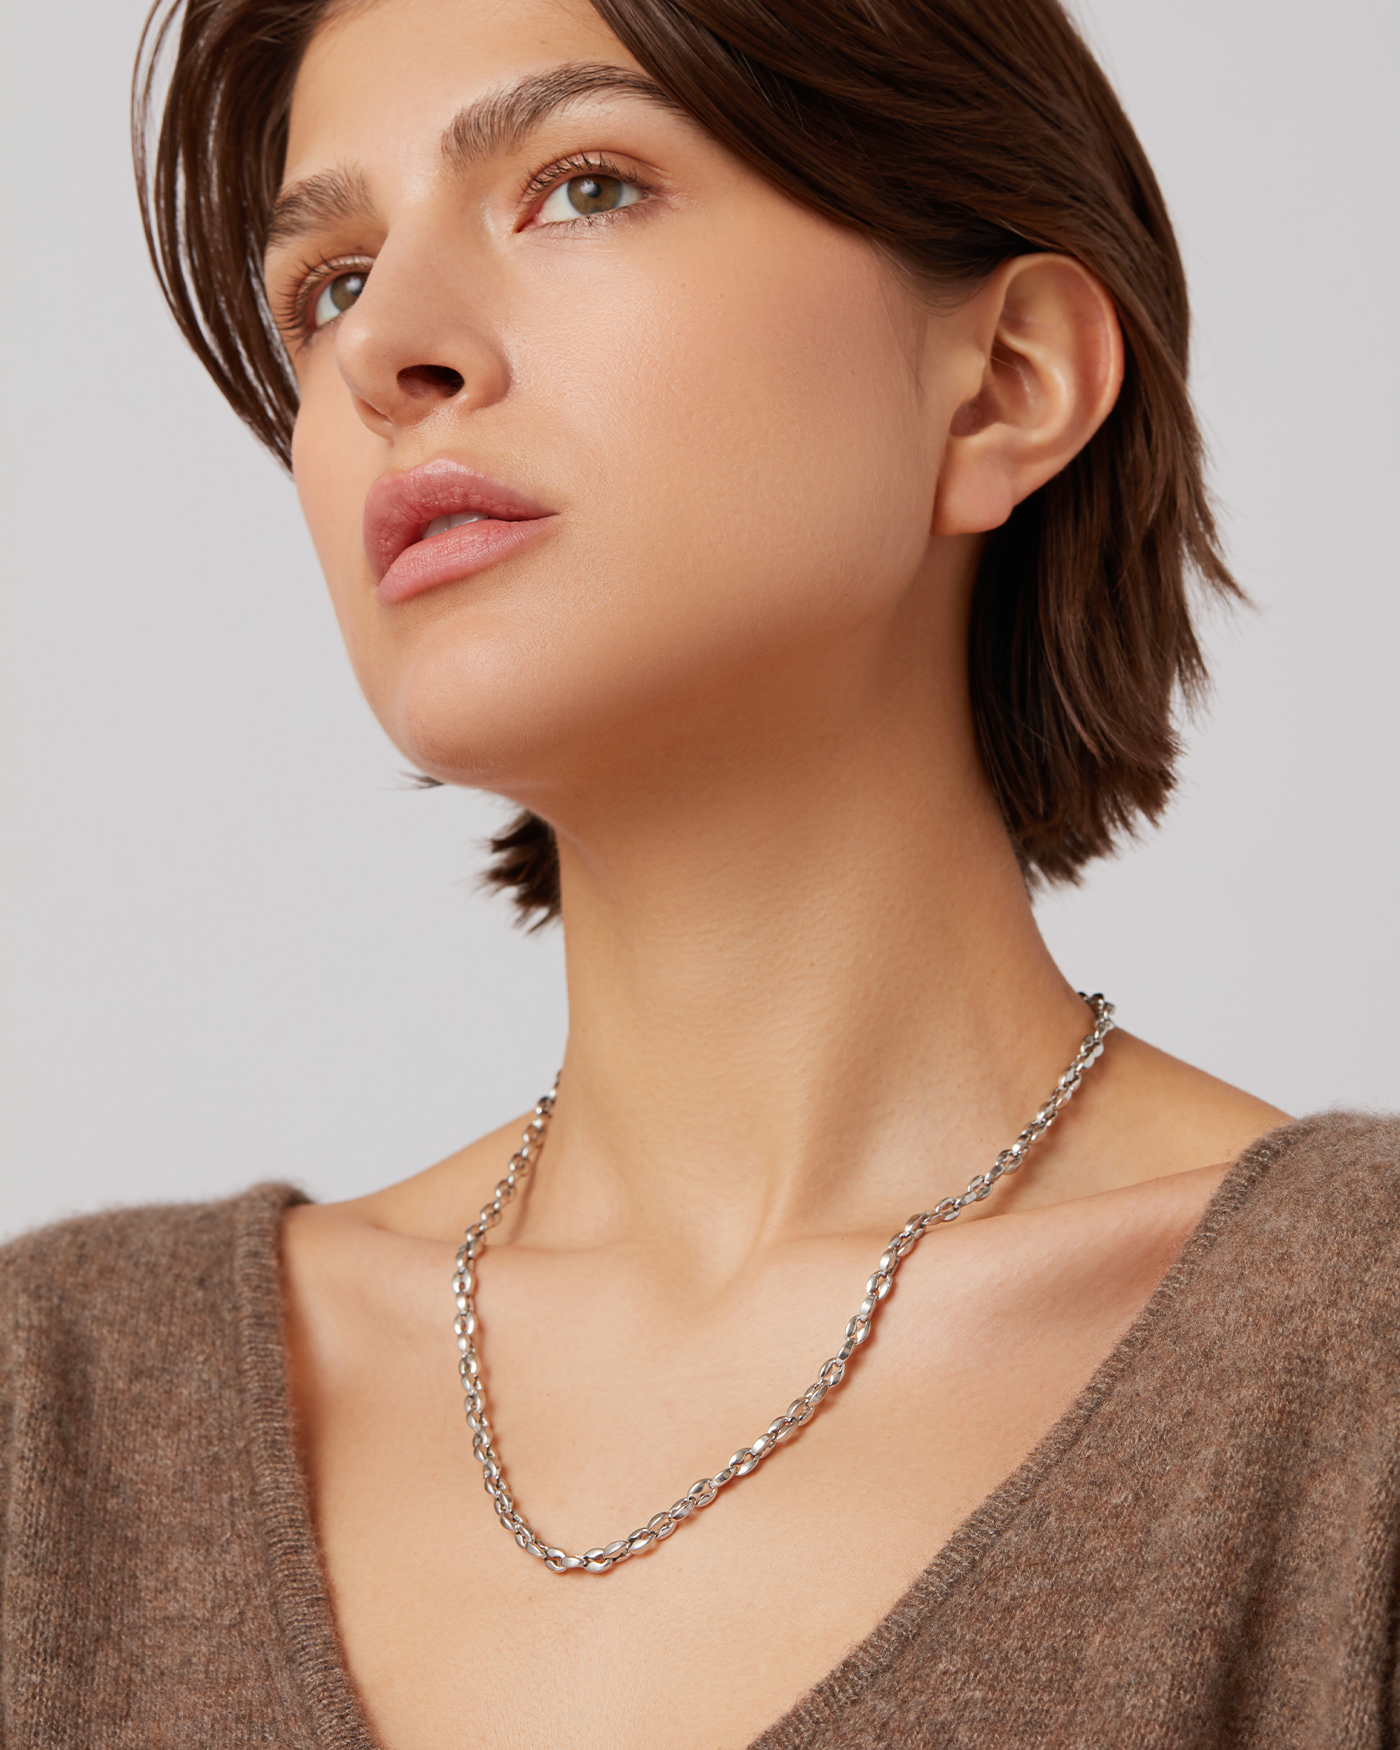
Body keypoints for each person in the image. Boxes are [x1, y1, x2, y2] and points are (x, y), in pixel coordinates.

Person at [2, 0, 1395, 1743]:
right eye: (332, 281)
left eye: (583, 186)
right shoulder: (57, 1412)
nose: (388, 355)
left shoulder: (1357, 1382)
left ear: (1006, 384)